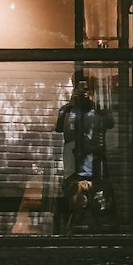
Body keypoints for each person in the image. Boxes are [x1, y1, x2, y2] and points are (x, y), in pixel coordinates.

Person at [54, 77, 116, 230]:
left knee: (102, 214)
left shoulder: (99, 111)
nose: (83, 92)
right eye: (80, 88)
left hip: (97, 170)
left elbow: (110, 123)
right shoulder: (67, 110)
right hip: (74, 172)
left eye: (87, 89)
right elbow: (59, 128)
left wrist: (95, 102)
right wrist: (71, 103)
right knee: (75, 213)